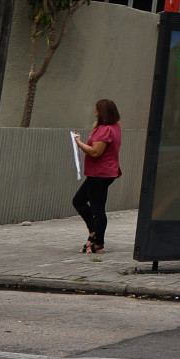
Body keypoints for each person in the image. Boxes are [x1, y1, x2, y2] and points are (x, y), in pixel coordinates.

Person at [72, 98, 122, 254]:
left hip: (100, 174)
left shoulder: (106, 130)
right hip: (102, 173)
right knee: (79, 201)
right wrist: (96, 124)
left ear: (102, 113)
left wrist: (77, 142)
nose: (94, 113)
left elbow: (95, 151)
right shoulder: (113, 127)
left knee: (97, 209)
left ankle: (97, 242)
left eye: (96, 111)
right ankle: (94, 235)